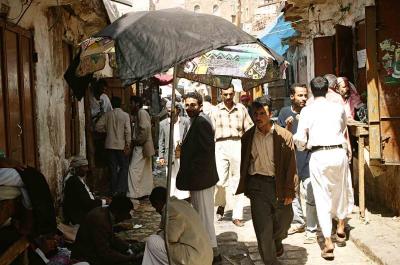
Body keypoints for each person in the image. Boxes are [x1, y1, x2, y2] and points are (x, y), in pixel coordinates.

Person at [293, 76, 354, 260]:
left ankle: (328, 242)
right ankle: (341, 226)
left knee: (322, 197)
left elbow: (301, 139)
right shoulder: (337, 107)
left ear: (311, 91)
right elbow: (343, 126)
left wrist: (301, 146)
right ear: (328, 89)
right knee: (341, 190)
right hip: (338, 152)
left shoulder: (307, 111)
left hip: (319, 155)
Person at [236, 96, 296, 265]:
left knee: (284, 221)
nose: (258, 117)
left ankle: (277, 240)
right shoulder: (248, 137)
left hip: (278, 185)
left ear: (270, 114)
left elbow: (291, 166)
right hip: (257, 187)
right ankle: (270, 261)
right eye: (255, 114)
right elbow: (245, 162)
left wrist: (290, 190)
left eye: (262, 113)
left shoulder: (283, 136)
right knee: (263, 229)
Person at [176, 91, 220, 262]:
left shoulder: (201, 122)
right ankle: (210, 250)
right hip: (199, 179)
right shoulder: (194, 121)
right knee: (202, 217)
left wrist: (191, 172)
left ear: (200, 105)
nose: (189, 108)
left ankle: (212, 252)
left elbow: (205, 153)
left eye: (193, 105)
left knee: (205, 217)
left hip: (202, 179)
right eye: (186, 105)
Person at [277, 84, 318, 243]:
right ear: (292, 97)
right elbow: (280, 137)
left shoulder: (311, 113)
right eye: (300, 95)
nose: (303, 98)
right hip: (291, 159)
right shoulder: (284, 112)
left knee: (310, 193)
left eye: (305, 95)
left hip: (308, 158)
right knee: (293, 194)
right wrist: (287, 126)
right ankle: (299, 221)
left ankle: (312, 227)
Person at [210, 87, 253, 227]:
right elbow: (209, 131)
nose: (228, 97)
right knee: (220, 180)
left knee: (238, 180)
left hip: (237, 143)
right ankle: (221, 204)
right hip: (220, 145)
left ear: (234, 94)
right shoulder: (215, 110)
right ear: (221, 94)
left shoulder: (241, 109)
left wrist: (247, 146)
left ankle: (237, 215)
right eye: (225, 94)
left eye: (230, 94)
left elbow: (250, 128)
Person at [142, 187, 213, 265]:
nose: (156, 210)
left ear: (158, 202)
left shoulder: (171, 209)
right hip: (205, 257)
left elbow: (171, 237)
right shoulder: (182, 203)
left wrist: (159, 233)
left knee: (152, 241)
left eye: (155, 207)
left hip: (194, 259)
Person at [71, 195, 142, 265]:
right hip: (87, 257)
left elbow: (111, 237)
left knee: (132, 247)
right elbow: (105, 253)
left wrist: (128, 246)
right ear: (117, 212)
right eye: (125, 214)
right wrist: (129, 258)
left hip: (94, 251)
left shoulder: (105, 213)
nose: (126, 218)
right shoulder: (100, 220)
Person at [95, 96, 131, 195]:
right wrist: (128, 144)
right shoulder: (125, 115)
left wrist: (106, 131)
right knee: (124, 167)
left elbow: (97, 127)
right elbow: (128, 131)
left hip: (110, 145)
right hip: (121, 145)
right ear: (121, 104)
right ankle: (121, 189)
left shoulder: (107, 115)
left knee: (113, 168)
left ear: (112, 104)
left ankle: (113, 190)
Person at [63, 156, 110, 225]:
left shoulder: (77, 178)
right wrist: (105, 201)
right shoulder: (73, 181)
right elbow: (87, 204)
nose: (87, 169)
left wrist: (99, 199)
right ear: (77, 168)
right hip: (79, 216)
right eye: (84, 167)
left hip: (84, 210)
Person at [158, 101, 190, 200]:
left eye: (171, 110)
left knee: (182, 173)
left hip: (182, 153)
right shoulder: (163, 124)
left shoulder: (185, 122)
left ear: (178, 110)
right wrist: (161, 156)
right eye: (168, 111)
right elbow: (161, 141)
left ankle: (183, 196)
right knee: (171, 176)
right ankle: (171, 196)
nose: (169, 113)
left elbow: (188, 137)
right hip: (169, 153)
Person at [128, 96, 155, 200]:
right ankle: (144, 192)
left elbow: (145, 128)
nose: (130, 105)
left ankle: (134, 193)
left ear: (137, 104)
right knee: (144, 170)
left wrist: (138, 141)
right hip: (144, 146)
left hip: (141, 146)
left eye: (131, 103)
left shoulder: (141, 112)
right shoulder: (141, 113)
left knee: (133, 169)